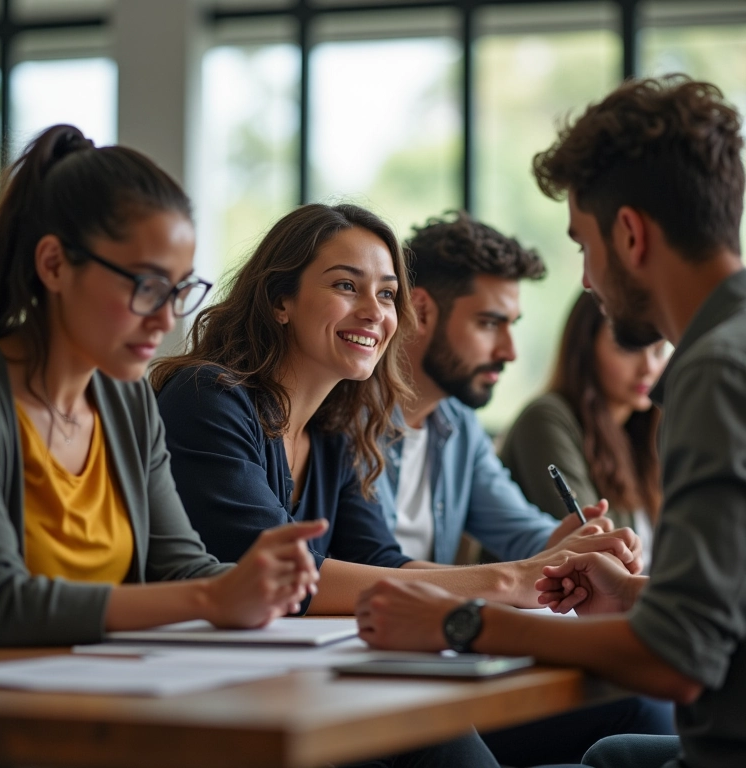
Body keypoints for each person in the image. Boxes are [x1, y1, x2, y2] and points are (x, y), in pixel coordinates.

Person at [355, 75, 746, 768]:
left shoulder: (714, 373)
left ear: (629, 234)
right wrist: (630, 593)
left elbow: (673, 660)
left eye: (582, 244)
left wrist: (460, 620)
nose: (588, 280)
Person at [151, 202, 639, 621]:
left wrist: (540, 572)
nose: (374, 311)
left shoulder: (334, 427)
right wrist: (510, 580)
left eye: (386, 293)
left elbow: (380, 559)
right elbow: (271, 574)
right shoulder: (207, 399)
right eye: (347, 285)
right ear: (281, 301)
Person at [0, 124, 327, 648]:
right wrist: (213, 598)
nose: (166, 319)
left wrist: (251, 584)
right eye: (147, 286)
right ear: (53, 264)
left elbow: (179, 566)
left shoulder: (126, 399)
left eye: (179, 290)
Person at [376, 214, 673, 765]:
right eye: (491, 323)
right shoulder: (350, 418)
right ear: (420, 311)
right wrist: (547, 562)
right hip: (379, 677)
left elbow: (523, 531)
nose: (511, 351)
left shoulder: (458, 426)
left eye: (512, 324)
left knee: (644, 707)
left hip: (442, 669)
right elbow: (370, 562)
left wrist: (581, 547)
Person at [500, 290, 667, 564]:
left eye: (659, 350)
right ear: (586, 347)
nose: (649, 367)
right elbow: (597, 551)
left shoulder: (645, 432)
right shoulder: (546, 419)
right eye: (629, 347)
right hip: (539, 605)